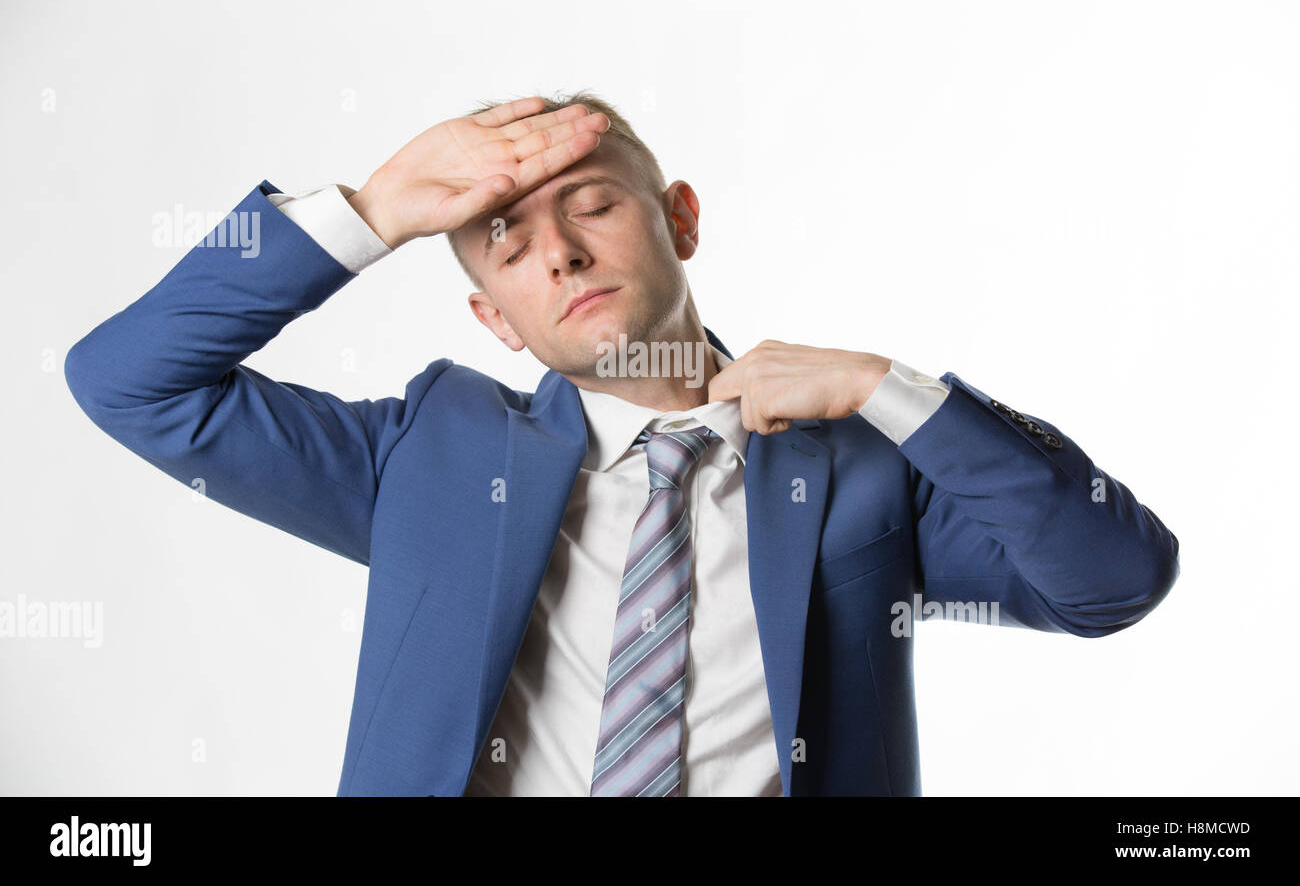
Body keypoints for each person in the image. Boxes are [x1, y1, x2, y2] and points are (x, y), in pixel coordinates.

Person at [64, 92, 1180, 796]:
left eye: (591, 206)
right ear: (494, 320)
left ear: (679, 219)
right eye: (506, 244)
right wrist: (368, 207)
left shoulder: (862, 465)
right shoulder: (428, 454)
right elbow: (127, 380)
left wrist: (894, 392)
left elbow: (1113, 578)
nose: (554, 251)